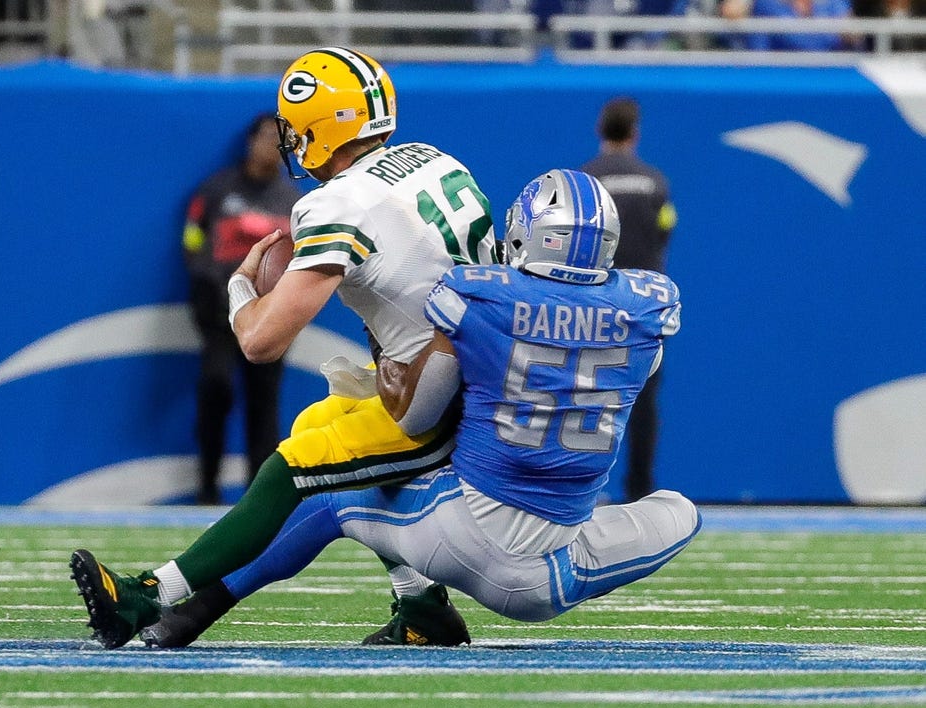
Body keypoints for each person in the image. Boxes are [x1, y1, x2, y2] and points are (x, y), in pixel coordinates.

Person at [140, 169, 700, 648]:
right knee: (681, 511)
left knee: (341, 490)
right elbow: (625, 365)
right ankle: (422, 613)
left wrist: (387, 366)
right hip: (554, 571)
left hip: (462, 531)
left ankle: (189, 607)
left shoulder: (479, 298)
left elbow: (416, 413)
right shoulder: (648, 308)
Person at [71, 46, 495, 649]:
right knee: (322, 422)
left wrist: (242, 289)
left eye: (296, 131)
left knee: (295, 468)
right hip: (478, 372)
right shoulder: (433, 161)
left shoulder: (336, 203)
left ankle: (151, 594)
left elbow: (262, 341)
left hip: (442, 401)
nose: (291, 146)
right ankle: (422, 606)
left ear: (321, 128)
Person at [182, 112, 302, 505]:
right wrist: (209, 284)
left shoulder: (293, 202)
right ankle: (207, 485)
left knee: (264, 402)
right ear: (250, 140)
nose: (273, 145)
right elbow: (193, 236)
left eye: (282, 138)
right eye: (268, 135)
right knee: (216, 387)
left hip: (271, 313)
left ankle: (258, 497)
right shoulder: (218, 190)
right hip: (220, 313)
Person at [581, 97, 676, 504]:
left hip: (592, 304)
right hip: (643, 307)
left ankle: (580, 488)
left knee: (582, 398)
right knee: (643, 401)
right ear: (634, 133)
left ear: (601, 131)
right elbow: (664, 231)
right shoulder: (654, 181)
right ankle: (639, 492)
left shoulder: (585, 180)